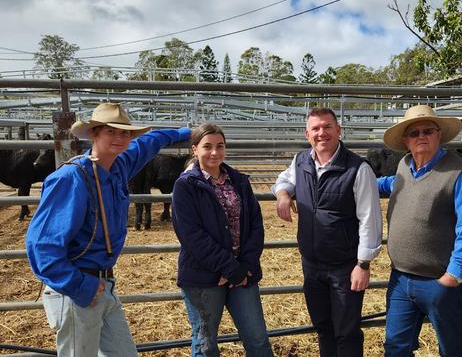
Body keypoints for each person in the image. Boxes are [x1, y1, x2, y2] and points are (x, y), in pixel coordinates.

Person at [25, 102, 191, 356]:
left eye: (125, 132)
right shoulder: (72, 178)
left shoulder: (119, 165)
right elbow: (41, 246)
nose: (120, 137)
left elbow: (149, 142)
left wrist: (185, 132)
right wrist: (80, 286)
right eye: (110, 131)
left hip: (104, 284)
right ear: (93, 133)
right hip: (77, 288)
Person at [376, 105, 462, 357]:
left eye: (428, 130)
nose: (421, 136)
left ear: (439, 135)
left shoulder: (458, 172)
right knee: (396, 346)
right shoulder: (405, 166)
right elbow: (390, 183)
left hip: (441, 280)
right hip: (401, 279)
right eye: (414, 133)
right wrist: (356, 183)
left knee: (451, 348)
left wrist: (453, 276)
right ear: (406, 141)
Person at [273, 107, 382, 356]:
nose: (321, 133)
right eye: (315, 129)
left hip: (345, 266)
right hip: (311, 264)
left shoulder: (358, 169)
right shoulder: (301, 160)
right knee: (323, 328)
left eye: (327, 127)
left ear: (339, 131)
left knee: (347, 332)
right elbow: (284, 179)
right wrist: (282, 194)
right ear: (307, 134)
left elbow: (370, 218)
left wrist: (363, 264)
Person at [172, 123, 273, 357]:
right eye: (207, 147)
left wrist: (245, 265)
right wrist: (230, 267)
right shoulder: (185, 185)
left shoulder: (238, 181)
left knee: (258, 340)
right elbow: (191, 235)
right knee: (206, 344)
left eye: (220, 146)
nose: (214, 152)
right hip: (204, 276)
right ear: (195, 149)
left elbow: (256, 225)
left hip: (242, 274)